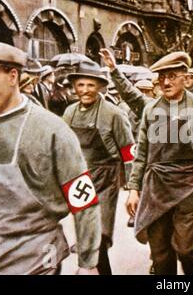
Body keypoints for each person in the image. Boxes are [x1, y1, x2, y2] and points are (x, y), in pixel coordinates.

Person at [0, 42, 101, 275]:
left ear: (12, 76)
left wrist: (88, 263)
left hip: (34, 253)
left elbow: (83, 201)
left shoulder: (52, 130)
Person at [125, 52, 193, 275]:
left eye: (172, 76)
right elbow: (141, 153)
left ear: (185, 78)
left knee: (186, 250)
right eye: (161, 77)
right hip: (157, 188)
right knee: (160, 254)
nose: (166, 82)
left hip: (192, 187)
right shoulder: (151, 110)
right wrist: (133, 188)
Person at [63, 60, 135, 275]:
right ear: (74, 87)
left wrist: (133, 187)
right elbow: (63, 148)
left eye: (90, 85)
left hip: (106, 178)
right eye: (80, 85)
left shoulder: (113, 114)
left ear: (100, 87)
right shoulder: (69, 113)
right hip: (80, 180)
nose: (85, 90)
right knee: (86, 233)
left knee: (99, 234)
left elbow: (128, 151)